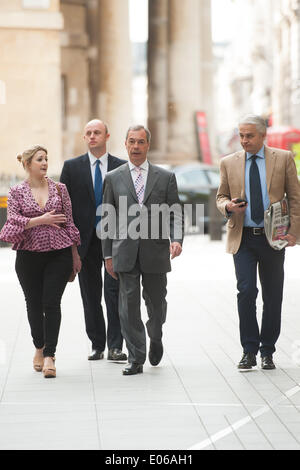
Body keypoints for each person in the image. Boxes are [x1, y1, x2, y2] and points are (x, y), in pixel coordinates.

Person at [216, 114, 300, 371]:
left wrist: (293, 233)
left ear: (263, 136)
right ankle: (249, 350)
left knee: (273, 296)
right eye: (241, 135)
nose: (244, 140)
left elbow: (295, 198)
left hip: (273, 239)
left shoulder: (283, 158)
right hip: (243, 238)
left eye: (249, 136)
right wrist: (228, 206)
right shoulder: (228, 162)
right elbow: (221, 197)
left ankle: (268, 351)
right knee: (246, 292)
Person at [102, 125, 184, 375]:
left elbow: (175, 213)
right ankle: (136, 357)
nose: (136, 147)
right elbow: (107, 218)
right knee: (127, 306)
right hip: (124, 251)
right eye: (131, 142)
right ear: (125, 144)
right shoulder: (113, 178)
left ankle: (155, 334)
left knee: (156, 303)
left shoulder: (165, 177)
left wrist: (177, 239)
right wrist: (107, 254)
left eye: (140, 142)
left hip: (156, 250)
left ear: (148, 145)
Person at [0, 145, 81, 378]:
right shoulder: (15, 192)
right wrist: (41, 220)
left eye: (46, 158)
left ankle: (50, 356)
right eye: (39, 159)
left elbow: (70, 223)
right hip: (28, 255)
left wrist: (75, 256)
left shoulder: (60, 188)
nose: (45, 163)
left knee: (51, 302)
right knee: (33, 302)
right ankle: (39, 347)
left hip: (59, 252)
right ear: (27, 164)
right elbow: (13, 221)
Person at [60, 119, 127, 362]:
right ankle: (97, 344)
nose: (92, 136)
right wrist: (70, 246)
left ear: (107, 136)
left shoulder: (121, 167)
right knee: (90, 296)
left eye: (97, 132)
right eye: (88, 133)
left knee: (114, 294)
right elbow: (65, 209)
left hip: (113, 241)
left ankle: (116, 346)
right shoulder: (72, 167)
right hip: (84, 243)